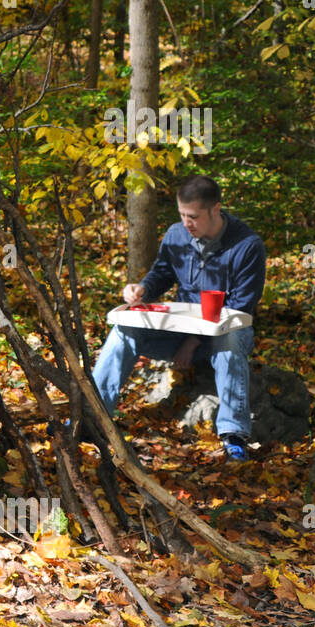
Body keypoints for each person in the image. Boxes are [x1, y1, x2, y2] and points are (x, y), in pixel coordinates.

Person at [89, 175, 265, 460]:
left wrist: (193, 341)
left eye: (193, 216)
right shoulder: (176, 235)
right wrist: (142, 289)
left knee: (231, 340)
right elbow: (162, 274)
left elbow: (241, 309)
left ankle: (234, 436)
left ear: (216, 209)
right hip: (179, 328)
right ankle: (92, 416)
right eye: (182, 215)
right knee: (124, 331)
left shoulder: (247, 246)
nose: (186, 223)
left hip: (225, 333)